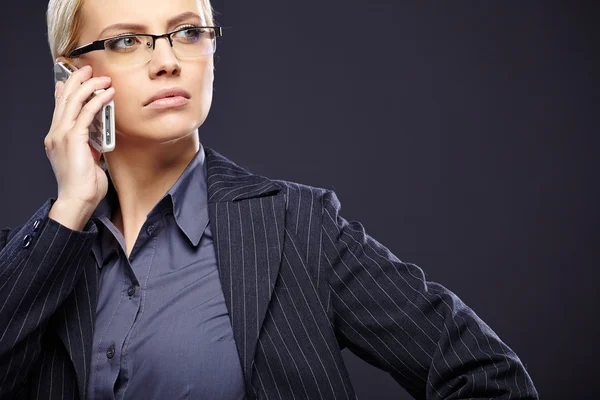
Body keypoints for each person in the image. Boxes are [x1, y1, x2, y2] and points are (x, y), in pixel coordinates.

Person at [0, 0, 539, 398]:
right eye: (126, 40)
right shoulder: (28, 260)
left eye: (187, 31)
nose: (167, 61)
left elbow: (489, 376)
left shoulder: (297, 229)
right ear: (70, 74)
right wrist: (68, 212)